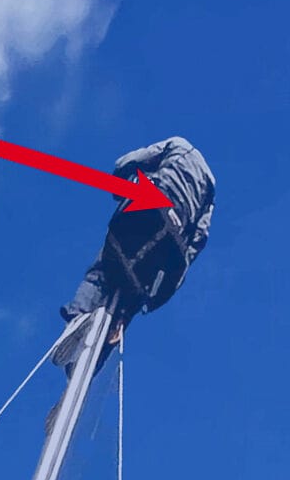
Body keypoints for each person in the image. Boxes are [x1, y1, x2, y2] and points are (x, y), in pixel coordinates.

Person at [45, 137, 214, 428]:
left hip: (149, 209)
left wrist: (121, 182)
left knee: (102, 271)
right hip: (172, 240)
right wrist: (171, 279)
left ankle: (76, 322)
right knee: (130, 302)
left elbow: (126, 163)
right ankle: (88, 369)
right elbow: (200, 237)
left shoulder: (177, 144)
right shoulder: (210, 186)